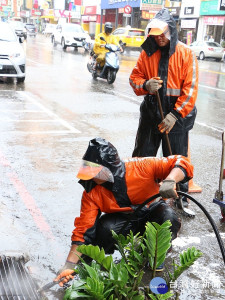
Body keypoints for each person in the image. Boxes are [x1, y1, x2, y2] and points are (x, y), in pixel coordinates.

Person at [54, 137, 193, 286]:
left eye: (95, 171)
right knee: (104, 230)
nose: (91, 175)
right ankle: (90, 261)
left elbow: (182, 162)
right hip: (124, 220)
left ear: (109, 168)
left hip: (152, 211)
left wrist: (170, 180)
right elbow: (83, 230)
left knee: (168, 217)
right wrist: (70, 265)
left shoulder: (141, 167)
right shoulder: (92, 192)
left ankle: (155, 256)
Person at [129, 8, 198, 207]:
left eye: (163, 34)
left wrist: (175, 115)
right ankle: (140, 195)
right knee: (143, 157)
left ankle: (181, 199)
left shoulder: (186, 54)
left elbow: (190, 90)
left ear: (171, 32)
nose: (159, 39)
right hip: (152, 112)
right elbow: (134, 79)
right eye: (156, 34)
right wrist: (145, 85)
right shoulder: (147, 52)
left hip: (177, 116)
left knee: (178, 159)